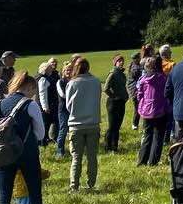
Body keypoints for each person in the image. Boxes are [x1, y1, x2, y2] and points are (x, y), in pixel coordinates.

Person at [0, 71, 47, 204]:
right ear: (29, 86)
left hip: (5, 154)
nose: (34, 93)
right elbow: (40, 133)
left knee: (4, 195)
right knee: (34, 191)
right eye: (34, 89)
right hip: (27, 154)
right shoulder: (30, 105)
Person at [64, 57, 101, 191]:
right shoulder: (96, 82)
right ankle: (91, 183)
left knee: (76, 157)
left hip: (76, 124)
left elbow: (68, 105)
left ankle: (74, 185)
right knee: (92, 156)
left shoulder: (72, 84)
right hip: (93, 124)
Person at [135, 56, 169, 166]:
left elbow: (139, 94)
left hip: (146, 111)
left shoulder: (144, 79)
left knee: (147, 135)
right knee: (158, 137)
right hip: (160, 111)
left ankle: (142, 160)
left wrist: (142, 105)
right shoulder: (163, 79)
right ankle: (153, 161)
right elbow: (167, 94)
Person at [103, 55, 128, 152]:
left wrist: (125, 96)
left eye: (122, 60)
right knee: (112, 125)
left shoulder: (122, 74)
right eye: (119, 61)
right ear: (115, 62)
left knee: (118, 125)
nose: (121, 62)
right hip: (113, 103)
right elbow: (106, 89)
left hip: (122, 102)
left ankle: (115, 146)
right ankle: (107, 146)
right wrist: (114, 96)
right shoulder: (112, 73)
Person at [37, 59, 60, 145]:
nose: (52, 70)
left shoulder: (45, 78)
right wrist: (45, 107)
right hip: (46, 106)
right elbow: (42, 94)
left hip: (48, 104)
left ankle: (45, 140)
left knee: (46, 124)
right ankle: (42, 142)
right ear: (45, 70)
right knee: (45, 125)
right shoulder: (43, 79)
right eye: (50, 69)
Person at [130, 44, 151, 131]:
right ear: (136, 59)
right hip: (135, 91)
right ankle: (135, 125)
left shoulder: (134, 66)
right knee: (137, 108)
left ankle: (136, 124)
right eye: (139, 57)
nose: (140, 58)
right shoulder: (135, 68)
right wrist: (143, 67)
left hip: (134, 91)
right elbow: (141, 75)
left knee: (138, 108)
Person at [54, 60, 73, 157]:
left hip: (73, 108)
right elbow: (62, 94)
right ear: (63, 72)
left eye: (70, 70)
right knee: (63, 129)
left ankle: (73, 149)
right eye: (67, 70)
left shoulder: (74, 81)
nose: (68, 72)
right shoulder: (60, 82)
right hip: (64, 109)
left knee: (73, 130)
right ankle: (59, 151)